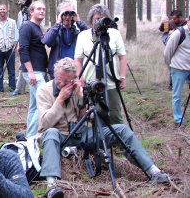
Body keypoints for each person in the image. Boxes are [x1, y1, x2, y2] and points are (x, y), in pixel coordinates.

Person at [37, 57, 177, 198]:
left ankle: (154, 172)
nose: (65, 84)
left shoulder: (77, 89)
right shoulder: (44, 90)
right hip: (59, 135)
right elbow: (46, 123)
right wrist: (60, 99)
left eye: (69, 80)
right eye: (62, 80)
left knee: (121, 129)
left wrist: (80, 95)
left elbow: (90, 118)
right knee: (51, 133)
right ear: (55, 75)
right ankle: (52, 186)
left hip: (81, 133)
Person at [74, 3, 127, 125]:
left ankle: (117, 139)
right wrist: (80, 78)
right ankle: (95, 140)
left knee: (115, 113)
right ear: (91, 20)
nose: (99, 21)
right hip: (90, 82)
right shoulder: (83, 36)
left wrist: (122, 77)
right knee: (92, 114)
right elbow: (77, 60)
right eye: (97, 19)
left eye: (103, 18)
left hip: (110, 81)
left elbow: (122, 57)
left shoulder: (114, 34)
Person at [19, 0, 48, 138]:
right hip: (33, 71)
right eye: (38, 9)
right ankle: (33, 137)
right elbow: (23, 49)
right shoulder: (27, 27)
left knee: (34, 105)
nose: (42, 11)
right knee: (44, 101)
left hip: (39, 70)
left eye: (43, 9)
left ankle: (29, 136)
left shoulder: (38, 27)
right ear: (31, 12)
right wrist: (30, 71)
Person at [42, 2, 89, 79]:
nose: (67, 17)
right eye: (64, 14)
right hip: (58, 71)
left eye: (70, 14)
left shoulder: (77, 32)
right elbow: (47, 41)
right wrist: (58, 23)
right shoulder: (54, 31)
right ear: (59, 15)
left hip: (74, 70)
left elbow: (90, 36)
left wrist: (79, 21)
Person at [164, 14, 190, 128]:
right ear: (188, 20)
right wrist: (170, 68)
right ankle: (179, 120)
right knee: (177, 95)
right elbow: (167, 52)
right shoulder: (179, 33)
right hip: (178, 69)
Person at [0, 4, 19, 94]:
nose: (2, 11)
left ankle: (12, 88)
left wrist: (14, 44)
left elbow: (16, 35)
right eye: (0, 9)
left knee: (11, 71)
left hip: (10, 49)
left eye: (4, 9)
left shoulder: (12, 22)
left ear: (6, 10)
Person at [12, 0, 32, 96]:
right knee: (22, 65)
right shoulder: (21, 13)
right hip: (23, 41)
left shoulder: (33, 11)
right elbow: (19, 28)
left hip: (33, 42)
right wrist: (19, 43)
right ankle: (19, 89)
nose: (20, 4)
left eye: (21, 2)